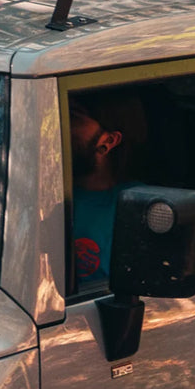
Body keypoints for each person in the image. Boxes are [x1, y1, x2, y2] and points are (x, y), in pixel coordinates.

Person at [68, 89, 147, 289]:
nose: (59, 125)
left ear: (109, 141)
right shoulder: (37, 192)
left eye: (73, 117)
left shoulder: (140, 206)